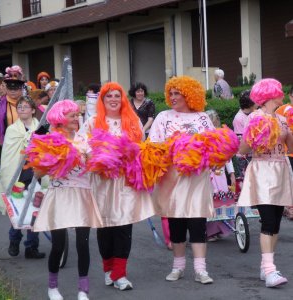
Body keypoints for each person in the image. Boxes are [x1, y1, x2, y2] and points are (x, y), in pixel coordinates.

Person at [79, 82, 155, 291]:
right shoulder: (93, 122)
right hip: (102, 182)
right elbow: (83, 149)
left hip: (125, 181)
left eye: (116, 96)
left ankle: (120, 274)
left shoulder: (133, 122)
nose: (113, 99)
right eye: (108, 96)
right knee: (105, 228)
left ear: (122, 99)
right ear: (102, 100)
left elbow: (141, 149)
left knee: (123, 226)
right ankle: (108, 269)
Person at [33, 100, 103, 300]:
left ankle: (83, 290)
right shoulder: (49, 141)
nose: (76, 118)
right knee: (58, 245)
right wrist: (54, 159)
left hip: (82, 194)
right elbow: (37, 172)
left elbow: (95, 168)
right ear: (60, 119)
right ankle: (53, 287)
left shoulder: (84, 141)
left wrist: (102, 160)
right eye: (72, 115)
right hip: (60, 194)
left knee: (83, 243)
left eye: (77, 115)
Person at [149, 76, 215, 284]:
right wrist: (170, 149)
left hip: (196, 179)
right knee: (176, 223)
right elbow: (153, 146)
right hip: (172, 179)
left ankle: (200, 269)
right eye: (171, 93)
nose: (173, 97)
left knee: (197, 222)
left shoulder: (203, 118)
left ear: (190, 95)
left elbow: (214, 146)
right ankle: (178, 267)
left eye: (178, 93)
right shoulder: (163, 117)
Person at [238, 78, 293, 288]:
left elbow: (289, 147)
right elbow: (243, 149)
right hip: (262, 172)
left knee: (276, 222)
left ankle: (266, 266)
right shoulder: (255, 117)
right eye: (279, 91)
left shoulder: (282, 119)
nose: (282, 93)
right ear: (270, 95)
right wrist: (256, 135)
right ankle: (270, 271)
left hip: (280, 171)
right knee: (268, 221)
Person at [0, 96, 45, 259]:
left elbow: (46, 150)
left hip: (36, 175)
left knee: (35, 211)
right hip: (18, 176)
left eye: (26, 106)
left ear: (33, 110)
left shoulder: (41, 128)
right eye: (19, 107)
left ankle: (31, 247)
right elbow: (9, 155)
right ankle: (14, 240)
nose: (22, 109)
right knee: (17, 211)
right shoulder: (12, 130)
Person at [205, 109, 236, 241]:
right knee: (210, 201)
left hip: (221, 174)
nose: (212, 124)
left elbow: (228, 158)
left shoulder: (223, 137)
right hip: (208, 174)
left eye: (214, 121)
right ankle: (210, 231)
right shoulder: (202, 138)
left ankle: (222, 228)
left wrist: (232, 174)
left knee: (223, 200)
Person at [0, 65, 25, 164]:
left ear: (21, 89)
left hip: (24, 144)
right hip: (4, 144)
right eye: (10, 88)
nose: (12, 91)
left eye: (16, 88)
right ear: (6, 88)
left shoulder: (28, 103)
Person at [232, 90, 257, 178]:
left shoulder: (252, 114)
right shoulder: (239, 118)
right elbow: (241, 139)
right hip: (243, 156)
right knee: (245, 179)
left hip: (252, 153)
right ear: (250, 104)